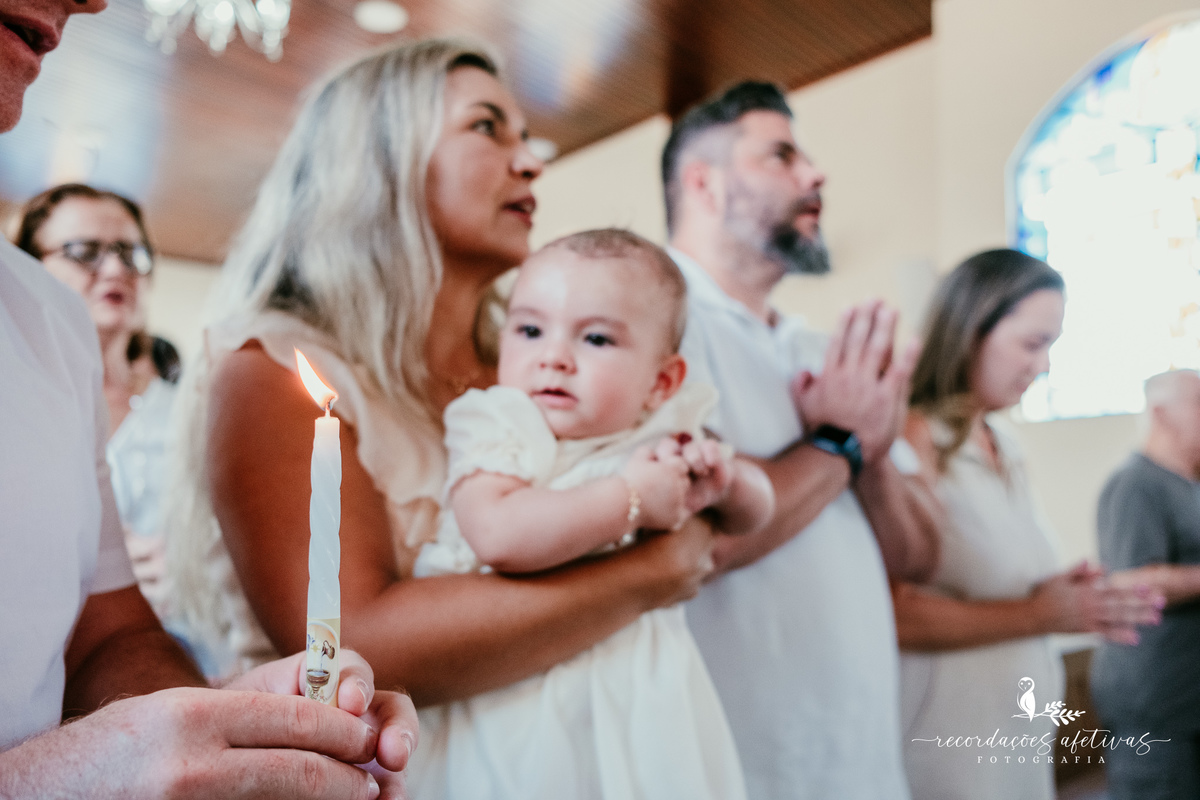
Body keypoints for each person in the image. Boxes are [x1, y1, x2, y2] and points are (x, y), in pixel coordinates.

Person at [167, 36, 718, 747]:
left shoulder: (530, 367)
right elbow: (355, 644)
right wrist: (647, 574)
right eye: (487, 127)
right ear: (377, 159)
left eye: (526, 136)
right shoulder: (275, 363)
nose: (529, 160)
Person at [0, 0, 417, 794]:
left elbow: (104, 635)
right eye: (85, 250)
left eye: (131, 250)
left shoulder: (48, 321)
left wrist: (217, 730)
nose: (94, 1)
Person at [409, 228, 773, 798]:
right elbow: (498, 534)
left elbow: (757, 512)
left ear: (661, 381)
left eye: (596, 339)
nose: (552, 357)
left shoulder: (666, 428)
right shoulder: (499, 424)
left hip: (647, 701)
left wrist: (724, 484)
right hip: (520, 700)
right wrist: (631, 497)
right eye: (530, 330)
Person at [662, 80, 941, 800]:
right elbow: (695, 542)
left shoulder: (821, 351)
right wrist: (838, 439)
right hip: (745, 764)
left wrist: (871, 457)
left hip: (863, 759)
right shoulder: (657, 328)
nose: (815, 175)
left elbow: (918, 558)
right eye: (781, 155)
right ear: (705, 183)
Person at [893, 248, 1163, 800]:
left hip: (1015, 731)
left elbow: (998, 576)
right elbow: (894, 613)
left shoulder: (1002, 441)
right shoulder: (912, 438)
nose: (1043, 367)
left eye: (1051, 347)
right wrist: (1042, 611)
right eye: (1033, 344)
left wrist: (1065, 593)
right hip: (944, 739)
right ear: (970, 330)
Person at [14, 184, 192, 648]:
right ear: (27, 268)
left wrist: (192, 569)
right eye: (84, 251)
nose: (116, 269)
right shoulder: (17, 407)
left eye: (132, 253)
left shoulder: (190, 413)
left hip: (178, 644)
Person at [1091, 368, 1200, 800]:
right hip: (1156, 704)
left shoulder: (1189, 482)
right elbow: (1132, 582)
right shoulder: (1135, 485)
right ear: (1162, 413)